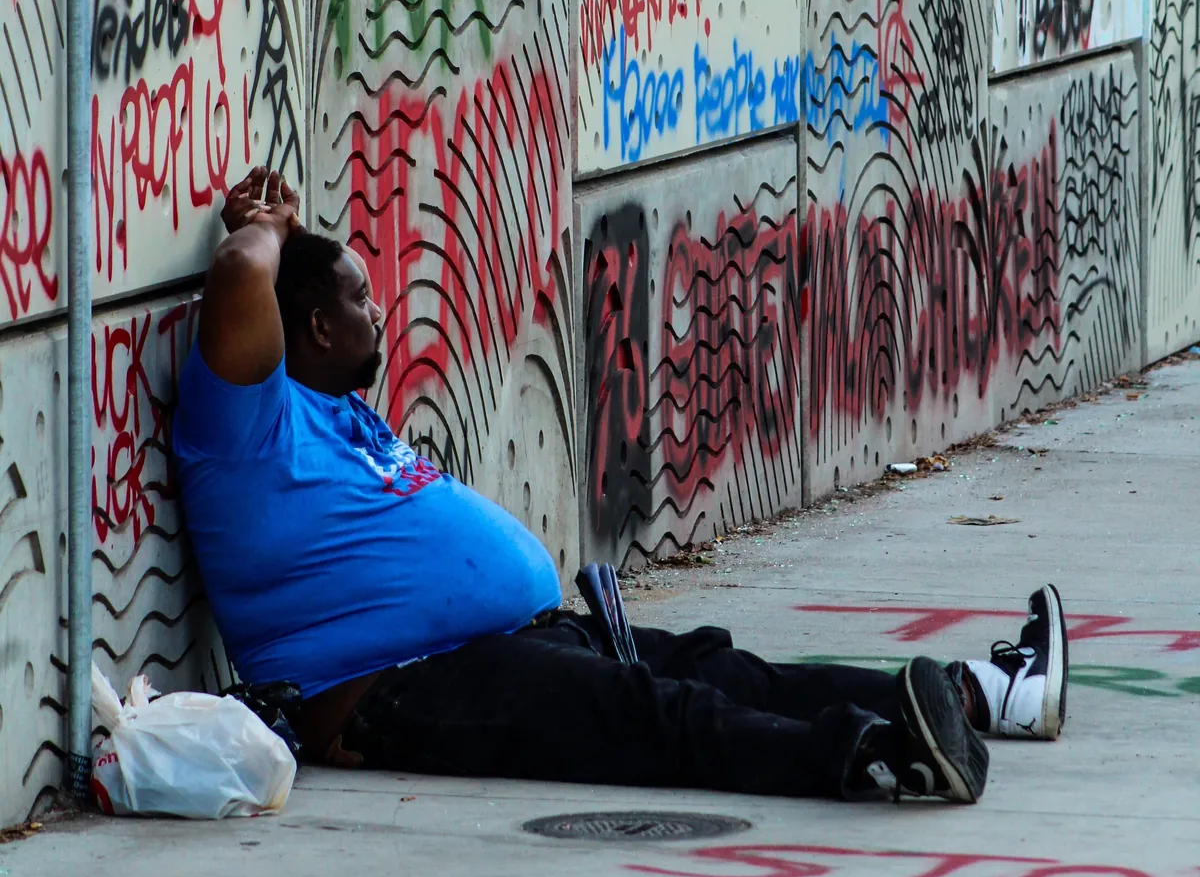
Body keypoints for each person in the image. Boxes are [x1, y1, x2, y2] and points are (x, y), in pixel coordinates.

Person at [172, 167, 1070, 806]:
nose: (381, 311)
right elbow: (242, 274)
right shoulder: (247, 424)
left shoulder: (334, 410)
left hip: (500, 642)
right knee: (654, 717)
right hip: (398, 690)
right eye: (362, 299)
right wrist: (270, 228)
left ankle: (958, 701)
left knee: (713, 665)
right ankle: (878, 760)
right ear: (319, 328)